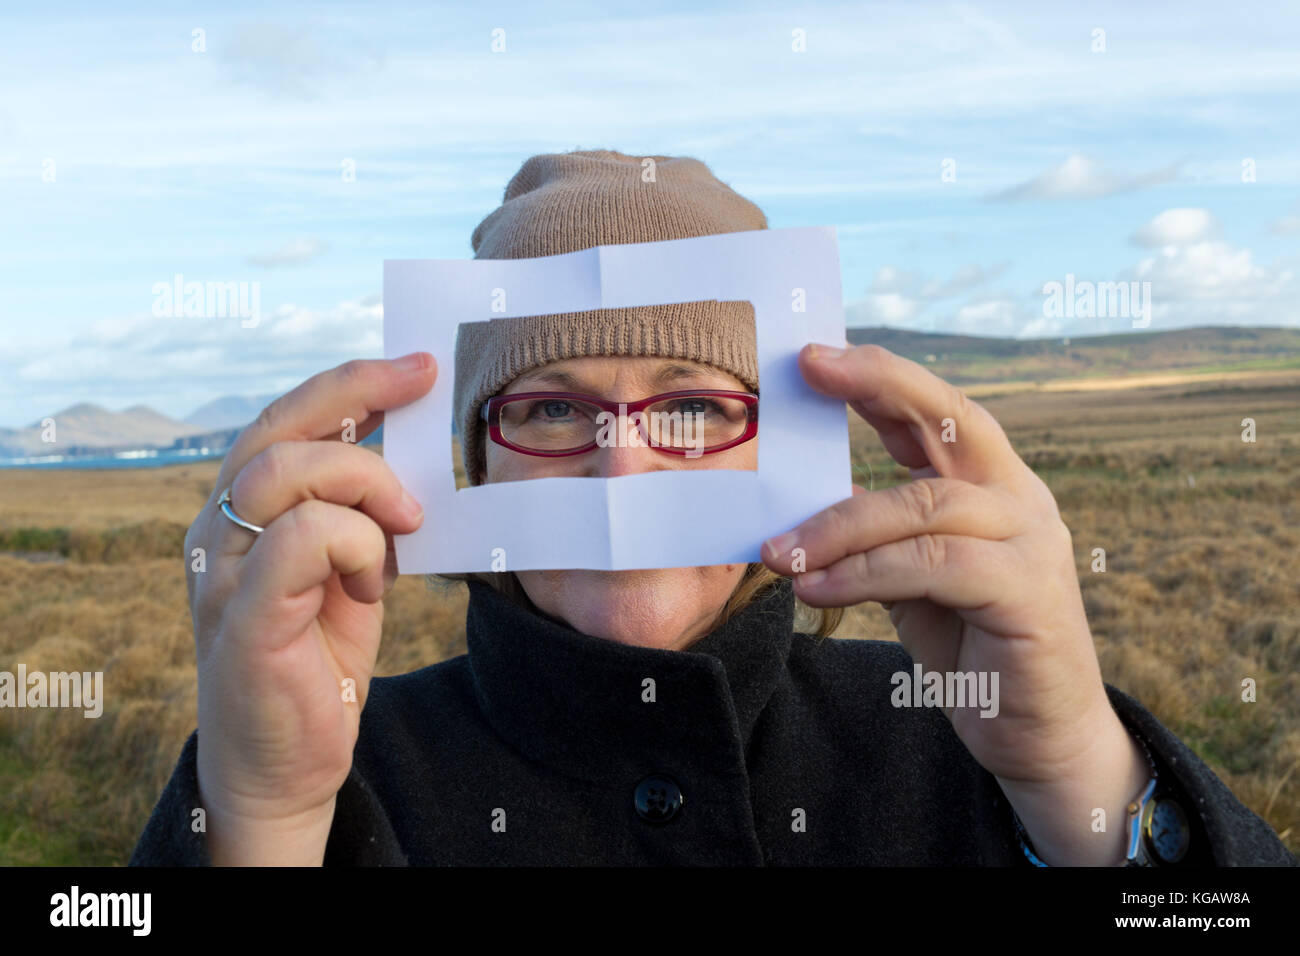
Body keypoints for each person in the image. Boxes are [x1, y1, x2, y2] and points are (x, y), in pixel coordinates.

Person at [130, 149, 1295, 867]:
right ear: (472, 463)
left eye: (692, 408)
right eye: (545, 409)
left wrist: (1081, 775)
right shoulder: (342, 762)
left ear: (785, 440)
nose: (622, 474)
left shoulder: (959, 732)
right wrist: (263, 818)